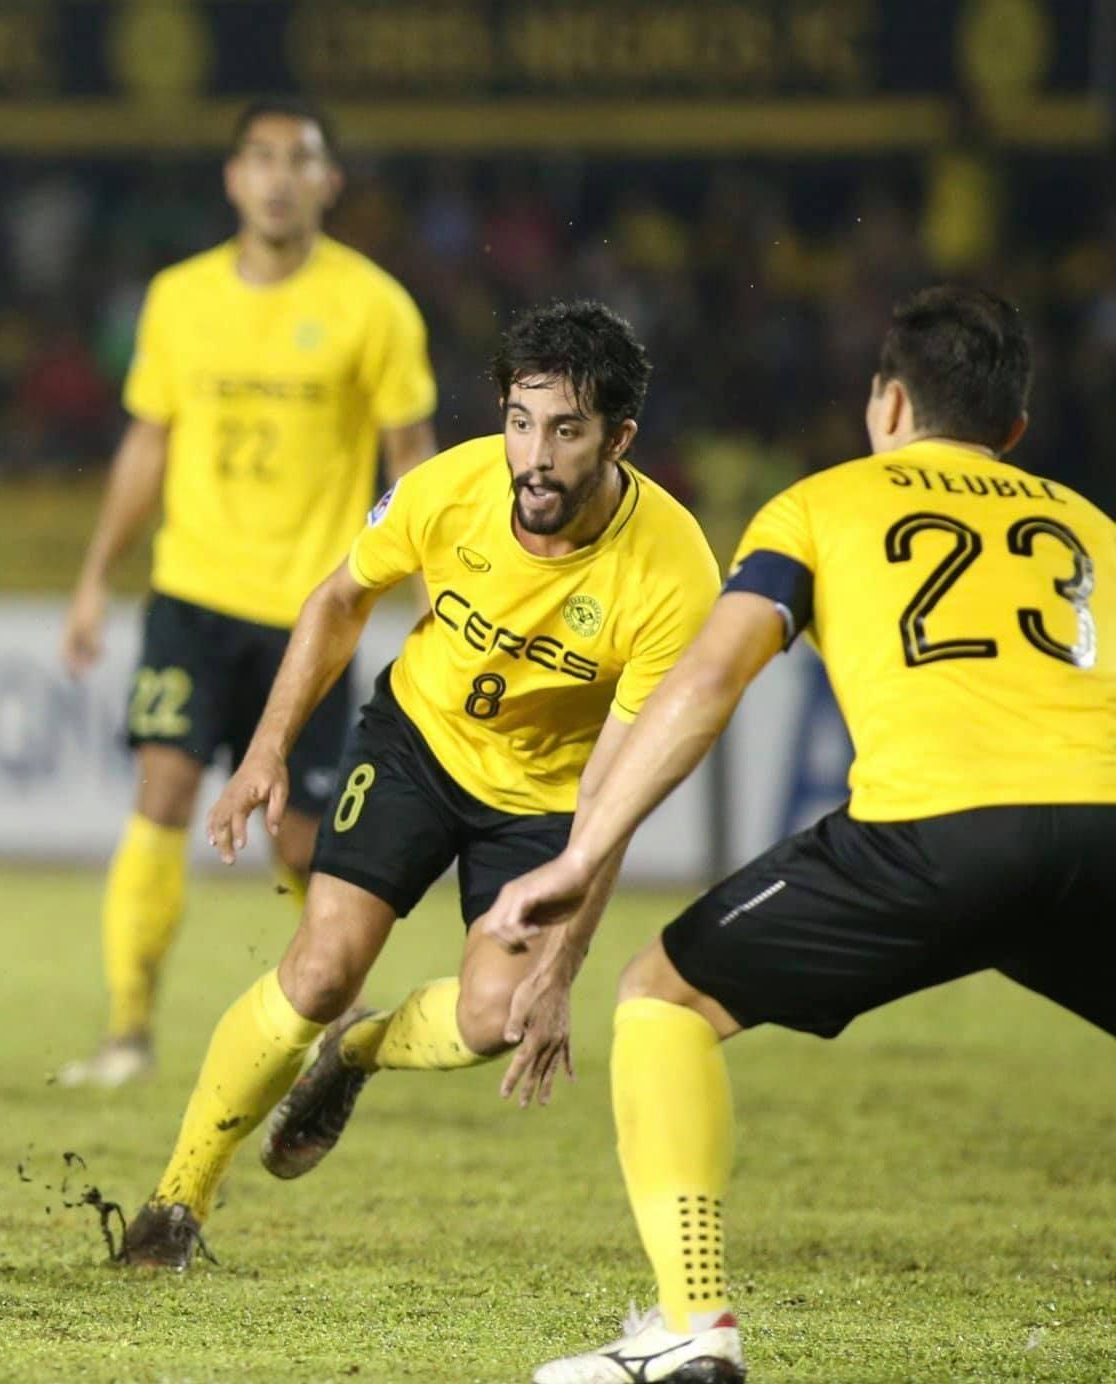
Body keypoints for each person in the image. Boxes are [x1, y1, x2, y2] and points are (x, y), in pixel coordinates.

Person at [479, 285, 1116, 1383]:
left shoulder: (820, 505)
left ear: (886, 404)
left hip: (931, 836)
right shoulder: (1090, 525)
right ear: (1012, 427)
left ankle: (693, 1328)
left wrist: (582, 851)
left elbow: (706, 681)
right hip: (1101, 830)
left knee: (661, 996)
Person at [118, 301, 720, 1266]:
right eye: (521, 421)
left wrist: (562, 970)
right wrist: (268, 750)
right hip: (416, 745)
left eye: (566, 431)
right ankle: (176, 1205)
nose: (535, 457)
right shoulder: (450, 488)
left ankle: (359, 1050)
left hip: (549, 799)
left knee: (498, 1016)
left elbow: (620, 791)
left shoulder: (674, 575)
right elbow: (339, 600)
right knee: (320, 971)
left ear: (619, 439)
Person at [57, 98, 438, 1088]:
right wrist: (94, 577)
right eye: (260, 159)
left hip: (312, 611)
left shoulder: (374, 306)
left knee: (302, 838)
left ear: (328, 182)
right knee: (162, 791)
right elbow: (148, 443)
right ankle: (127, 1031)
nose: (277, 178)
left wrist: (433, 594)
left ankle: (339, 1024)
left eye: (298, 160)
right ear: (233, 178)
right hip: (191, 594)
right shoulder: (178, 298)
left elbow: (411, 458)